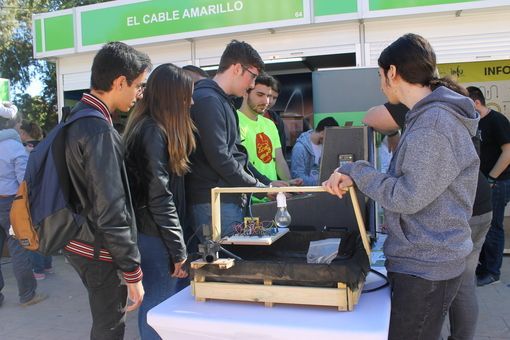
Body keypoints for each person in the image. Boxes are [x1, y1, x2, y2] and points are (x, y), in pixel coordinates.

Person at [322, 33, 479, 340]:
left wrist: (358, 170)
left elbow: (406, 196)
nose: (380, 84)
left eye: (380, 76)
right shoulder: (426, 118)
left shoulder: (433, 124)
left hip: (425, 265)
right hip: (426, 257)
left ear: (392, 72)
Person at [364, 101, 492, 340]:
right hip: (477, 204)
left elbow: (370, 118)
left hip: (462, 211)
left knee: (454, 284)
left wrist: (390, 134)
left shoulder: (426, 114)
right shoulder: (449, 111)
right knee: (464, 283)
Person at [62, 41, 151, 339]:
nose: (139, 94)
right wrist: (131, 271)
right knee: (109, 327)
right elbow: (111, 208)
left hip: (78, 240)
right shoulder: (100, 130)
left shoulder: (77, 119)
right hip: (98, 249)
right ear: (119, 82)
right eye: (138, 85)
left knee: (105, 323)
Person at [187, 39, 281, 238]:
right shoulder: (208, 100)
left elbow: (237, 155)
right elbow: (220, 157)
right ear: (238, 68)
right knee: (221, 267)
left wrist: (266, 184)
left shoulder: (219, 100)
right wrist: (259, 187)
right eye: (253, 76)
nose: (252, 84)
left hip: (227, 199)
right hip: (214, 203)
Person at [123, 64, 191, 340]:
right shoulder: (152, 131)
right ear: (172, 96)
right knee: (158, 310)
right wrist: (178, 249)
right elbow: (159, 196)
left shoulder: (145, 126)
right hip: (155, 236)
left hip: (151, 233)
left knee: (159, 308)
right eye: (187, 96)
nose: (191, 102)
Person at [0, 114, 47, 307]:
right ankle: (27, 294)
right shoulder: (14, 147)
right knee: (18, 248)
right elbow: (24, 181)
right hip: (10, 204)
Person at [467, 86, 510, 287]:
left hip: (497, 183)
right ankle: (483, 266)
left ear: (477, 103)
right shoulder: (473, 123)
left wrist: (492, 178)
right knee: (481, 227)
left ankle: (493, 272)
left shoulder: (497, 121)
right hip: (481, 185)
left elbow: (508, 152)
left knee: (494, 226)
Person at [238, 74, 294, 183]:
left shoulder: (270, 124)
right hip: (250, 197)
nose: (266, 101)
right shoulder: (234, 121)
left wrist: (289, 183)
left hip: (273, 194)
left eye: (269, 96)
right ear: (245, 93)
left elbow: (279, 161)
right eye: (260, 95)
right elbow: (238, 164)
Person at [16, 120, 54, 280]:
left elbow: (23, 179)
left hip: (33, 196)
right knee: (47, 230)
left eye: (20, 133)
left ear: (24, 134)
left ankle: (38, 269)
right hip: (49, 195)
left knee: (34, 232)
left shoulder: (25, 151)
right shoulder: (47, 147)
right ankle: (47, 265)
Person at [291, 117, 339, 185]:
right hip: (308, 192)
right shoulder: (299, 148)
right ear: (323, 133)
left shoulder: (326, 146)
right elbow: (297, 176)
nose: (331, 139)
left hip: (325, 189)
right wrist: (320, 183)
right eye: (331, 136)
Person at [262, 76, 287, 157]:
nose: (270, 101)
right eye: (268, 96)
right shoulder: (238, 117)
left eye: (275, 98)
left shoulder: (276, 120)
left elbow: (282, 152)